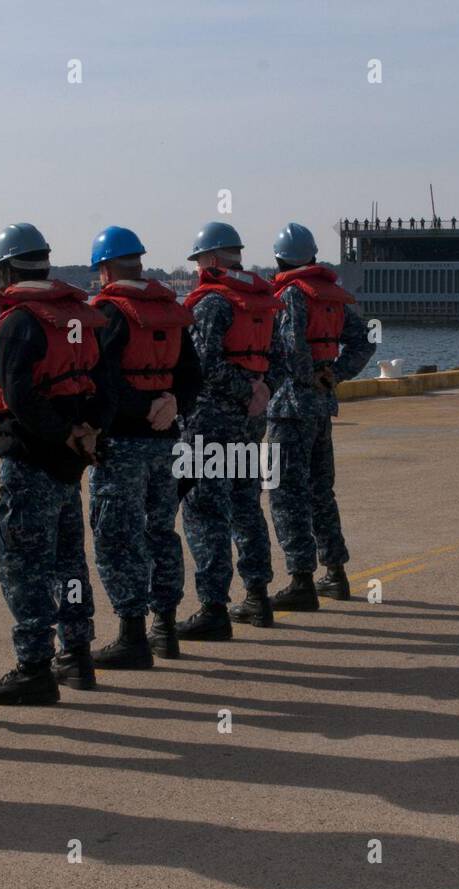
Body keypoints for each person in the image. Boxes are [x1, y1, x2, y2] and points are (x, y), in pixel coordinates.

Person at [0, 224, 114, 701]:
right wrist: (86, 432)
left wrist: (61, 434)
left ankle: (34, 666)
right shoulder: (78, 316)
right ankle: (77, 655)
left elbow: (18, 396)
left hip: (31, 462)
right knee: (69, 563)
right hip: (71, 463)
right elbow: (103, 382)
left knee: (24, 567)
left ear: (5, 269)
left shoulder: (19, 321)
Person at [88, 226, 201, 666]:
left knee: (117, 537)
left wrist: (141, 409)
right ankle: (165, 630)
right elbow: (193, 373)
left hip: (123, 446)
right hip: (167, 443)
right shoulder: (169, 311)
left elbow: (104, 381)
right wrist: (171, 404)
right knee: (161, 532)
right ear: (138, 262)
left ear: (104, 268)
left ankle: (132, 635)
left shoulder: (109, 313)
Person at [177, 222, 283, 640]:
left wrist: (242, 392)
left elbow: (204, 365)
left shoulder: (213, 304)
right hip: (249, 423)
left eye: (200, 259)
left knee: (206, 513)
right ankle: (258, 596)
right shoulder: (262, 301)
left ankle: (213, 608)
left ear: (212, 259)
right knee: (245, 505)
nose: (199, 266)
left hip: (210, 424)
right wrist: (262, 392)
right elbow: (279, 358)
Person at [266, 223, 374, 609]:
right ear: (312, 255)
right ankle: (335, 573)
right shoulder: (332, 296)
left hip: (289, 408)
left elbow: (290, 344)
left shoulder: (292, 294)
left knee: (285, 494)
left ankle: (300, 581)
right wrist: (335, 374)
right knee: (320, 491)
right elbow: (365, 341)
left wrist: (305, 375)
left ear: (279, 259)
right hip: (321, 408)